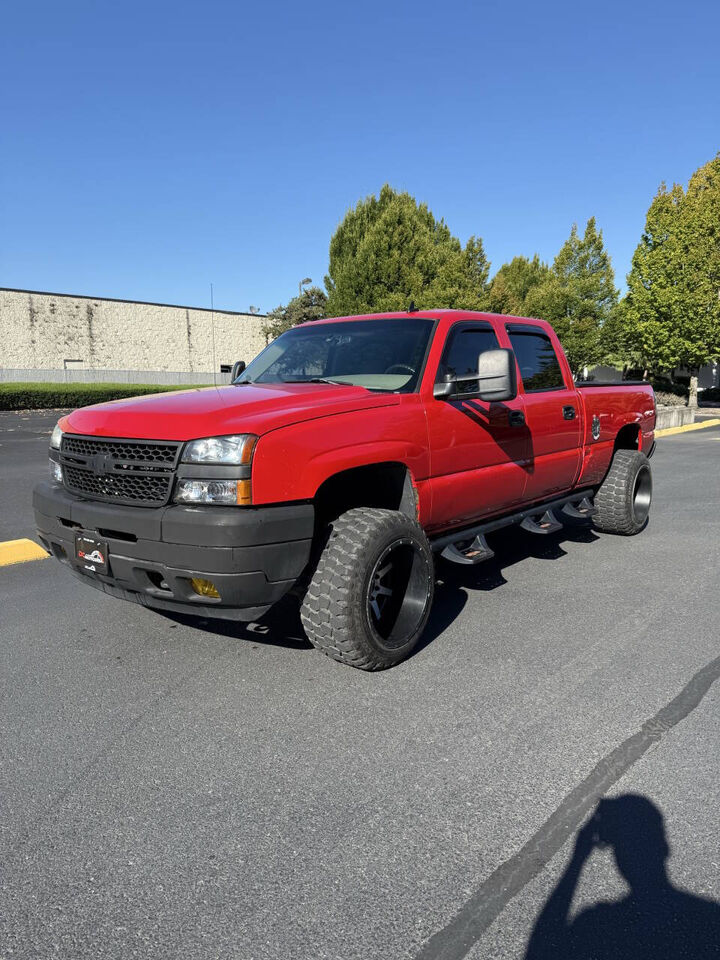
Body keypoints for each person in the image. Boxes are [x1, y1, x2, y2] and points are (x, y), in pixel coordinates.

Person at [525, 794, 720, 959]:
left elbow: (541, 951)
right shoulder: (711, 919)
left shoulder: (599, 927)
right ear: (665, 848)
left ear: (619, 858)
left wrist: (576, 862)